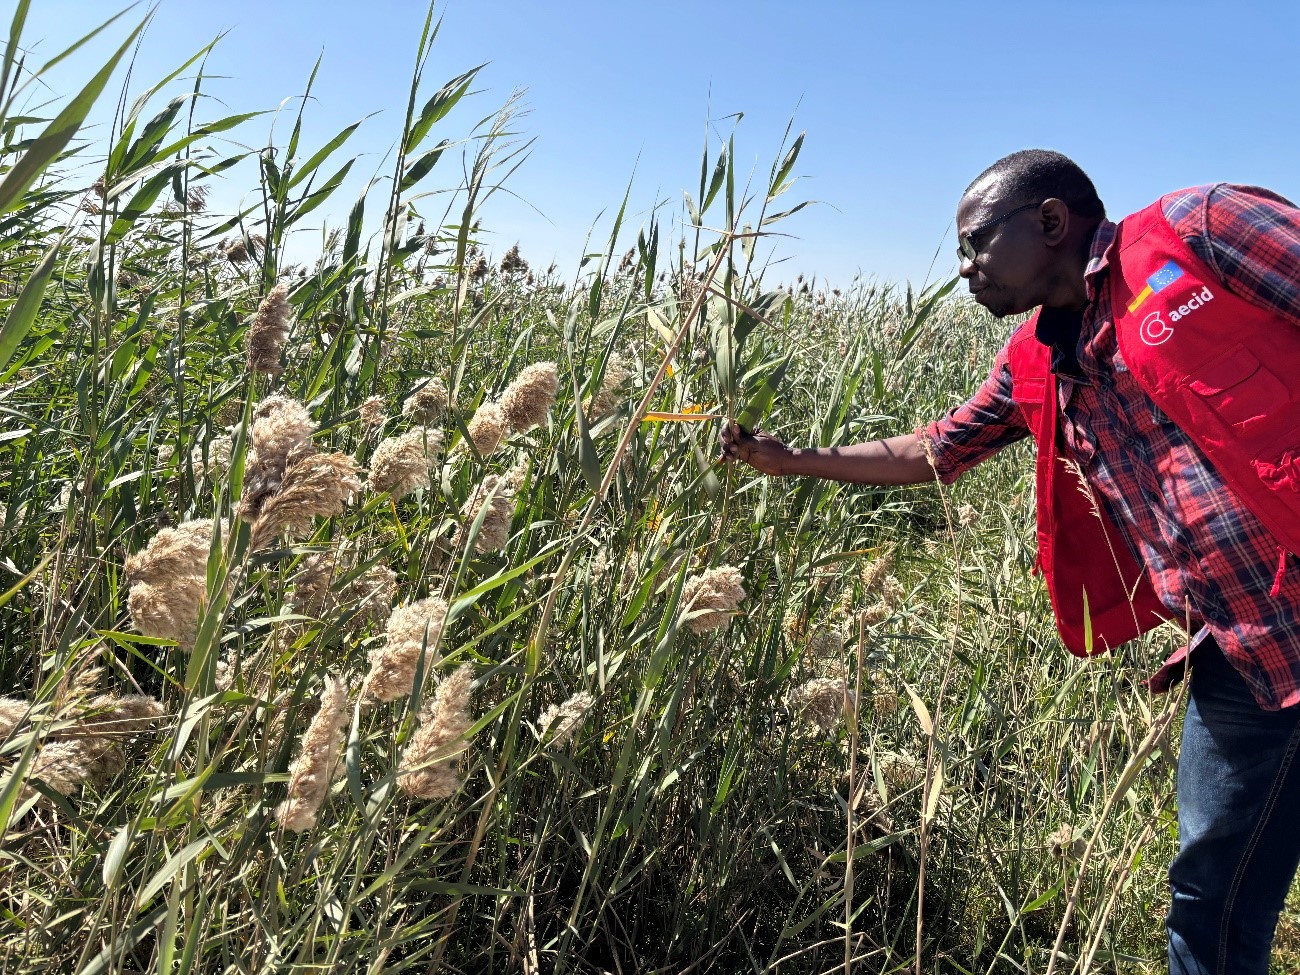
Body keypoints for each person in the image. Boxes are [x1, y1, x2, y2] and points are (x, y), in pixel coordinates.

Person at [720, 149, 1300, 975]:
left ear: (1051, 221)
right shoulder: (1035, 358)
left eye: (976, 243)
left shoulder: (1197, 232)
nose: (963, 267)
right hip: (1246, 652)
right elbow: (936, 449)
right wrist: (794, 459)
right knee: (1211, 901)